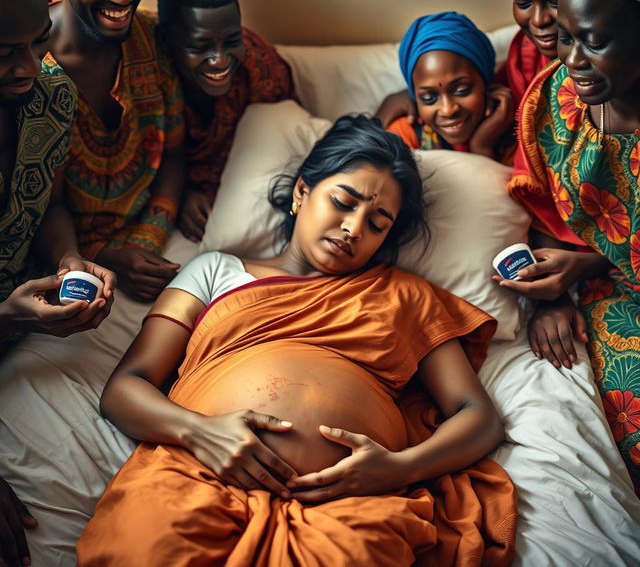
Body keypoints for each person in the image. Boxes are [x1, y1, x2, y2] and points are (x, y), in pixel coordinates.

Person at [76, 115, 517, 566]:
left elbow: (478, 417)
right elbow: (126, 387)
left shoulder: (405, 295)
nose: (353, 228)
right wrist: (200, 432)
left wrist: (401, 468)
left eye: (378, 223)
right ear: (303, 191)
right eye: (344, 202)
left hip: (349, 506)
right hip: (198, 471)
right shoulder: (214, 271)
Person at [503, 0, 640, 494]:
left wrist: (588, 267)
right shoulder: (555, 104)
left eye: (594, 41)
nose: (572, 61)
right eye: (563, 38)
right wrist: (554, 286)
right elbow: (537, 209)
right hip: (614, 291)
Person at [0, 0, 116, 565]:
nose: (27, 65)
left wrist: (69, 259)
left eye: (37, 39)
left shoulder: (51, 95)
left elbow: (47, 201)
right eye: (3, 53)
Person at [45, 0, 185, 303]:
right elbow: (42, 205)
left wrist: (149, 238)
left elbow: (173, 151)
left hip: (151, 242)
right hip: (68, 259)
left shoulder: (154, 39)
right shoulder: (27, 70)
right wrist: (103, 259)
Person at [374, 0, 590, 127]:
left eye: (555, 2)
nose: (537, 20)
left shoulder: (604, 69)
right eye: (523, 3)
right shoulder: (524, 56)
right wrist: (409, 95)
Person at [157, 0, 294, 243]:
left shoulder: (261, 69)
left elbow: (286, 140)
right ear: (167, 40)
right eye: (200, 46)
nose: (220, 60)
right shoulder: (148, 75)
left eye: (232, 41)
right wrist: (181, 192)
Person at [388, 12, 515, 162]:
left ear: (486, 82)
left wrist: (481, 148)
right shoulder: (406, 134)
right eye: (429, 98)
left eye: (462, 90)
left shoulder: (518, 132)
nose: (448, 110)